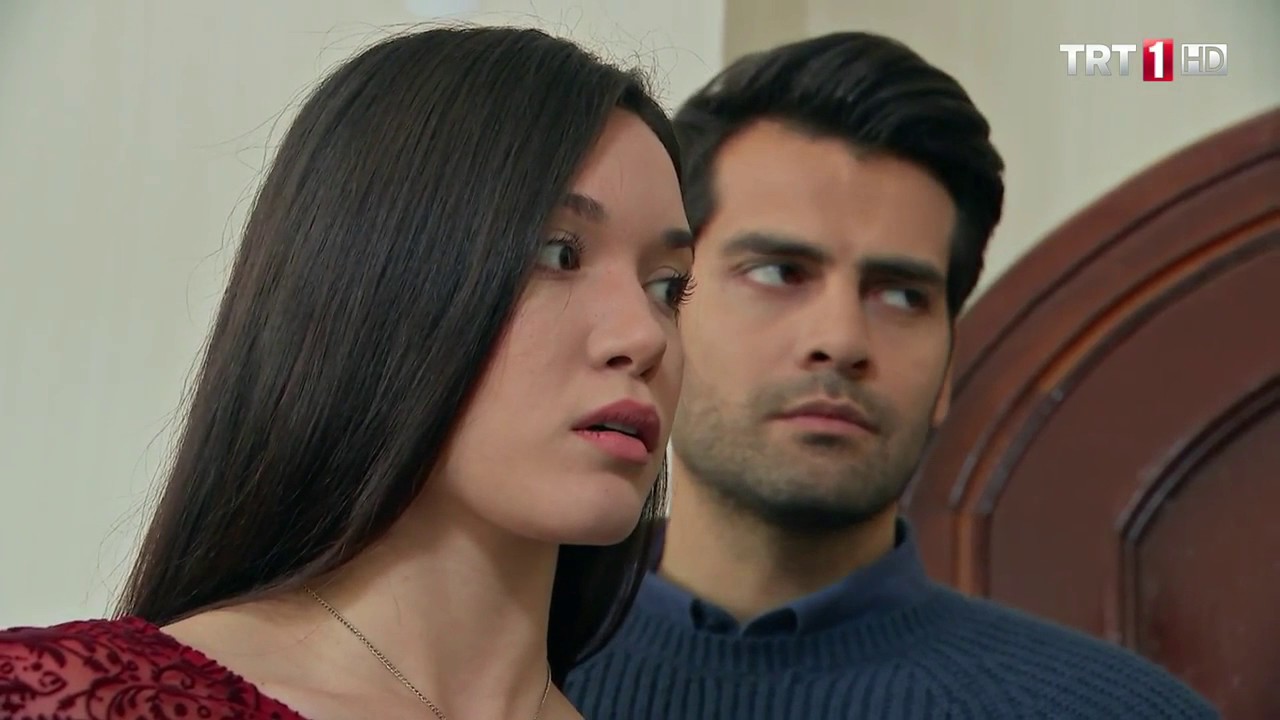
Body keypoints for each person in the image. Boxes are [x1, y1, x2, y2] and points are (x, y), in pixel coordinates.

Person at [0, 26, 694, 720]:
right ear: (370, 282)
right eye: (559, 254)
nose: (642, 335)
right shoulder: (59, 698)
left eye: (668, 287)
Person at [563, 31, 1219, 719]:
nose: (841, 340)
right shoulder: (506, 678)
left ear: (946, 369)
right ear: (665, 315)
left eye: (902, 295)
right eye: (779, 273)